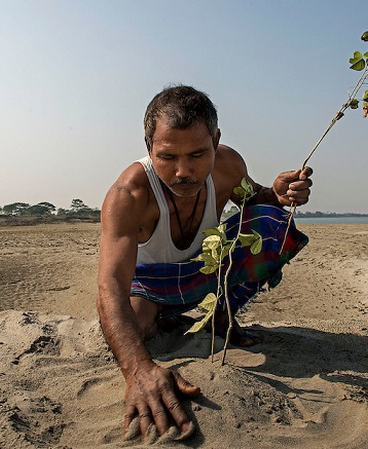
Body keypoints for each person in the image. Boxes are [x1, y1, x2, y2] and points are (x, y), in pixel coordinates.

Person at [96, 85, 313, 441]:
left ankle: (220, 315)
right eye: (167, 157)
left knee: (272, 220)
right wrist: (137, 370)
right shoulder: (128, 195)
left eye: (198, 154)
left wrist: (276, 193)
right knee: (136, 327)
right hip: (149, 282)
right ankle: (167, 315)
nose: (183, 171)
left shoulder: (228, 164)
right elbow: (110, 286)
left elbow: (253, 197)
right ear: (149, 145)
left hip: (207, 270)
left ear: (216, 140)